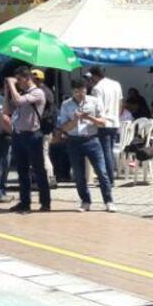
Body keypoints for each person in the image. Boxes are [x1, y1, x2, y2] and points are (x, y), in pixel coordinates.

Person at [57, 80, 115, 212]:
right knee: (78, 174)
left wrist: (90, 118)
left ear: (86, 90)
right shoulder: (66, 105)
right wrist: (75, 119)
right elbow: (64, 128)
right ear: (72, 91)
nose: (79, 95)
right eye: (76, 92)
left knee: (102, 172)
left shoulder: (94, 101)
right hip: (74, 141)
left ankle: (109, 201)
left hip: (92, 140)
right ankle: (85, 201)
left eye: (82, 92)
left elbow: (103, 123)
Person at [4, 68, 51, 213]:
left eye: (19, 80)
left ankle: (45, 202)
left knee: (38, 170)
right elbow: (7, 109)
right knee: (21, 171)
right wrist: (7, 91)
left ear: (27, 78)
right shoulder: (22, 93)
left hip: (32, 135)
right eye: (16, 80)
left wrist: (11, 84)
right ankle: (25, 202)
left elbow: (18, 101)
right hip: (18, 134)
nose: (18, 83)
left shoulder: (37, 93)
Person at [87, 66, 123, 188]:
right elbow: (120, 103)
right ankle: (109, 178)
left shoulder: (97, 88)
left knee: (104, 152)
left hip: (103, 123)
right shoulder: (116, 84)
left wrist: (94, 121)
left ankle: (108, 179)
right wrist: (116, 116)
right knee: (109, 151)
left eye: (91, 77)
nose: (90, 80)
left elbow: (96, 107)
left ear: (95, 75)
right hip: (114, 121)